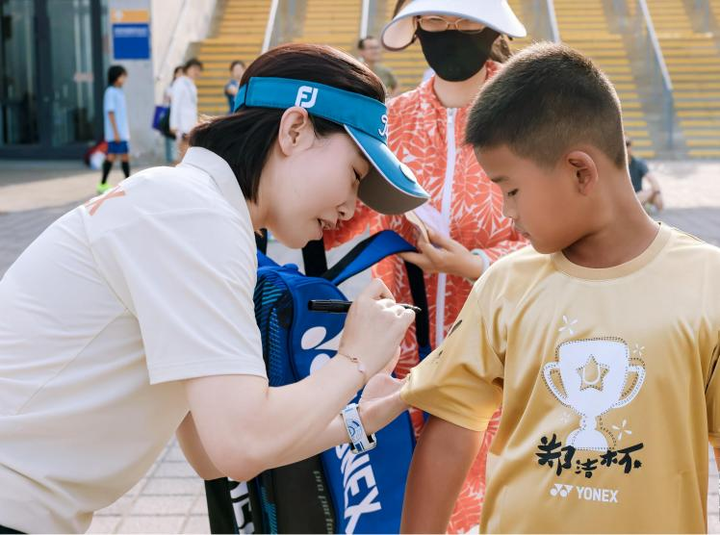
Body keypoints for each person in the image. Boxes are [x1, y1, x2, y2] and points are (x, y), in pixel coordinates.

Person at [0, 43, 430, 534]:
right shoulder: (194, 217)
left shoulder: (187, 205)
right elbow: (240, 445)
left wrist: (359, 418)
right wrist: (355, 360)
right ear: (294, 130)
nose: (351, 207)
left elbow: (211, 453)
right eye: (354, 176)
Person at [363, 42, 720, 533]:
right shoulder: (506, 283)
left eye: (511, 189)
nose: (506, 211)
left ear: (580, 171)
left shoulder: (707, 285)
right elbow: (452, 425)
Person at [325, 1, 527, 530]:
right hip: (403, 353)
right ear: (415, 26)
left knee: (492, 502)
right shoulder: (391, 119)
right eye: (436, 19)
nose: (451, 31)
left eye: (466, 19)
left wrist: (477, 264)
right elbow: (341, 220)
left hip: (499, 349)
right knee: (411, 499)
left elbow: (563, 232)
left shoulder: (528, 110)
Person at [98, 65, 130, 194]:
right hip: (116, 133)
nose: (125, 79)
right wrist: (116, 133)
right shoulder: (110, 92)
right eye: (123, 76)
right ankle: (105, 183)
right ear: (116, 77)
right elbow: (110, 113)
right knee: (117, 156)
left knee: (116, 156)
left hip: (121, 132)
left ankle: (104, 183)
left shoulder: (119, 91)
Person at [170, 58, 203, 161]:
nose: (196, 72)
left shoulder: (191, 84)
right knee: (183, 154)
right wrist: (173, 124)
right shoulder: (180, 83)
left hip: (190, 123)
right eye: (193, 68)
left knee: (187, 154)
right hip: (181, 124)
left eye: (198, 69)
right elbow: (175, 104)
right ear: (187, 69)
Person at [627, 138, 663, 212]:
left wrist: (657, 193)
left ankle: (642, 208)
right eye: (622, 144)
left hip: (637, 196)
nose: (625, 147)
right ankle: (642, 208)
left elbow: (651, 179)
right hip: (622, 198)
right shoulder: (614, 165)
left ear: (631, 147)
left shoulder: (638, 163)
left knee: (654, 192)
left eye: (627, 144)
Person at [162, 65, 184, 163]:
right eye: (179, 72)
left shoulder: (187, 87)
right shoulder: (170, 87)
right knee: (171, 139)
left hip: (182, 118)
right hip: (171, 116)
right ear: (175, 74)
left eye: (183, 73)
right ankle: (172, 160)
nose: (181, 75)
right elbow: (168, 101)